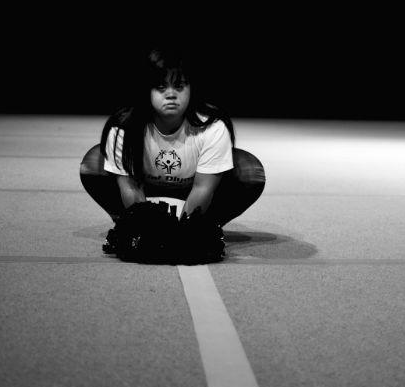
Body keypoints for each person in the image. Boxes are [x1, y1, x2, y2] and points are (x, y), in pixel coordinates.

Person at [79, 46, 266, 258]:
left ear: (191, 89)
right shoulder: (124, 127)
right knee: (94, 163)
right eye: (160, 87)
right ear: (147, 90)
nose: (170, 94)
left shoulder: (213, 127)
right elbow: (130, 187)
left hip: (192, 188)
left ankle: (208, 227)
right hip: (146, 189)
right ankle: (127, 224)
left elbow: (203, 188)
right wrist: (146, 229)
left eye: (179, 86)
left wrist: (184, 232)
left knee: (249, 171)